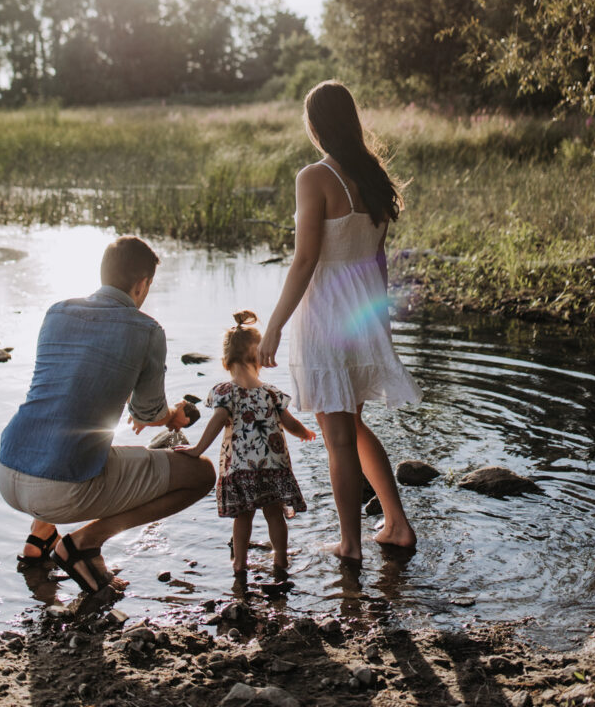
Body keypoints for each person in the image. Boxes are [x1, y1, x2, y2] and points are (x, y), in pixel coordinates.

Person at [0, 235, 215, 594]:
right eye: (148, 287)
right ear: (142, 284)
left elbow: (67, 390)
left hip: (7, 469)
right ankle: (83, 544)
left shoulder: (56, 311)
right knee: (202, 474)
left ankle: (40, 535)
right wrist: (172, 416)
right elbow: (148, 412)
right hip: (62, 490)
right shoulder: (147, 330)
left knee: (59, 418)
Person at [259, 80, 421, 560]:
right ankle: (395, 524)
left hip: (326, 313)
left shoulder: (314, 177)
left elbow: (305, 260)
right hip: (360, 315)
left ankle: (350, 544)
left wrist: (273, 326)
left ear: (314, 125)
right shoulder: (374, 178)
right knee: (351, 427)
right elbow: (378, 259)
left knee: (337, 438)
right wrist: (380, 327)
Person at [178, 310, 315, 584]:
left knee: (243, 519)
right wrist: (306, 433)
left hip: (240, 468)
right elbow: (289, 422)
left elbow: (217, 422)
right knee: (275, 516)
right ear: (258, 358)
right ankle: (281, 560)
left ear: (226, 360)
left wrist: (196, 449)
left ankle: (240, 565)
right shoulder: (271, 393)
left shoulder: (224, 392)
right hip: (273, 468)